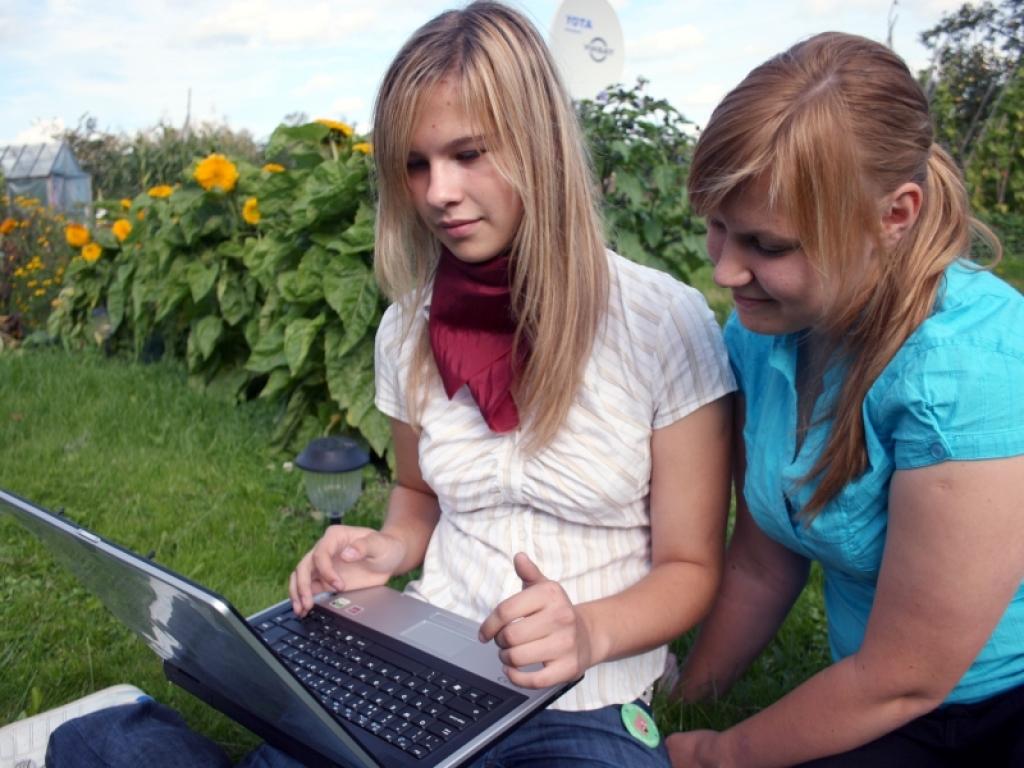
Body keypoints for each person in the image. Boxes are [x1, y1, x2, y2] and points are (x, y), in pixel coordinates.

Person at [41, 3, 735, 767]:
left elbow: (691, 568)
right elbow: (417, 494)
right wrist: (386, 546)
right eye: (415, 164)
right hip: (424, 664)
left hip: (585, 696)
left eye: (468, 153)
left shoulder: (663, 322)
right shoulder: (407, 329)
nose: (438, 191)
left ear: (540, 143)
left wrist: (589, 632)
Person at [664, 31, 1024, 768]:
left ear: (895, 215)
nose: (726, 271)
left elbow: (908, 678)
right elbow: (764, 561)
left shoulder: (970, 372)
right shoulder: (765, 332)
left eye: (768, 245)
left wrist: (717, 755)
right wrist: (684, 703)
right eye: (717, 227)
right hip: (875, 690)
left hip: (987, 708)